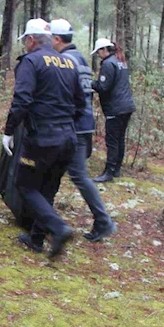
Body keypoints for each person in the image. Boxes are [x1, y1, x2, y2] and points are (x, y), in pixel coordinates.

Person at [2, 18, 85, 259]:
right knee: (48, 186)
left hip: (42, 139)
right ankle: (37, 239)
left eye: (25, 41)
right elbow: (81, 103)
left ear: (31, 39)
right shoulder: (68, 62)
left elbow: (22, 100)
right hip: (68, 138)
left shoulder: (31, 61)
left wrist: (9, 131)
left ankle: (58, 228)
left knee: (25, 184)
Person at [50, 20, 116, 242]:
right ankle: (43, 219)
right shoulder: (80, 59)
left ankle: (103, 220)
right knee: (56, 171)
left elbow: (66, 95)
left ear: (57, 39)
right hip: (83, 123)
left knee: (78, 174)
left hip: (74, 125)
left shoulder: (66, 60)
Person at [90, 38, 136, 183]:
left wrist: (90, 83)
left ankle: (109, 172)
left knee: (112, 141)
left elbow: (103, 87)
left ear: (105, 49)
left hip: (115, 108)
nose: (98, 55)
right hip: (126, 106)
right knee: (120, 139)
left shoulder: (108, 64)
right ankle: (116, 169)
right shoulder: (119, 61)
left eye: (99, 52)